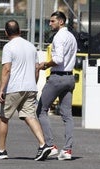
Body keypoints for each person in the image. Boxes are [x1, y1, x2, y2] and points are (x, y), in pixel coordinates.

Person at [0, 20, 51, 161]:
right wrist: (33, 85)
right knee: (30, 116)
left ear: (6, 33)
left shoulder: (8, 47)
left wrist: (1, 89)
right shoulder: (31, 47)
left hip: (14, 88)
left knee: (3, 118)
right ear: (20, 31)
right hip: (30, 87)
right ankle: (43, 144)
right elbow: (36, 69)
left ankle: (1, 150)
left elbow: (6, 69)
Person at [37, 11, 77, 160]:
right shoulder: (71, 36)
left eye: (52, 21)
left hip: (58, 77)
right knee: (67, 115)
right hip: (69, 77)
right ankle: (67, 150)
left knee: (41, 110)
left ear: (61, 22)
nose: (50, 23)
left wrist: (45, 65)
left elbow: (58, 59)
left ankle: (50, 145)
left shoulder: (59, 37)